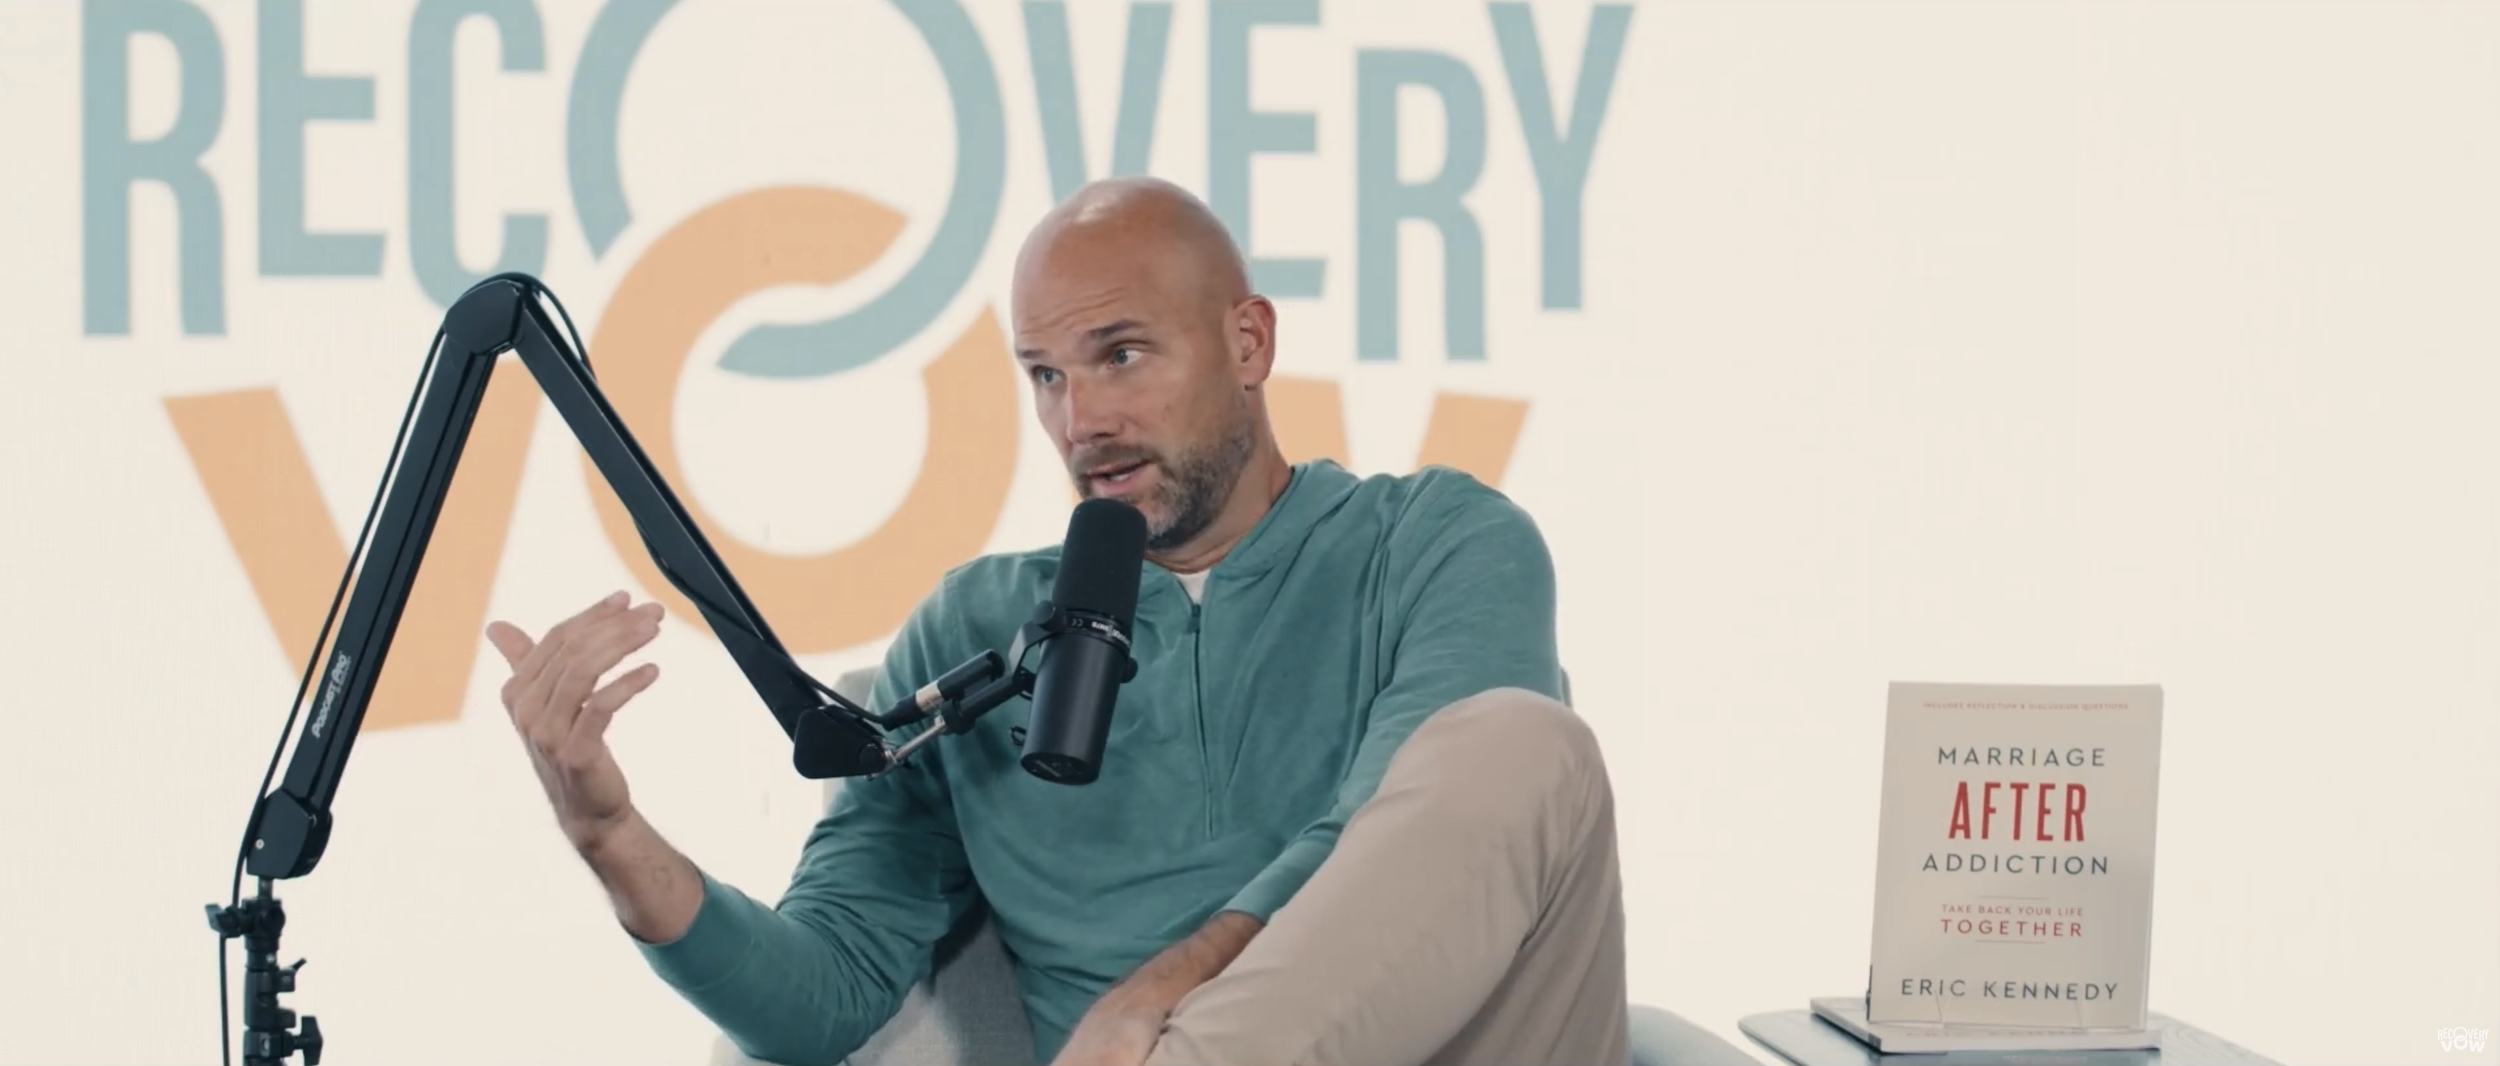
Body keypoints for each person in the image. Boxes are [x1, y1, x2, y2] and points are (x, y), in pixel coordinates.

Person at [484, 177, 1630, 1066]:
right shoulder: (976, 628)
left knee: (1521, 744)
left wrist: (1159, 996)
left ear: (1248, 343)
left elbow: (1392, 833)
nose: (1082, 422)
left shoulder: (1437, 541)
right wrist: (611, 836)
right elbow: (823, 993)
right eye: (1043, 376)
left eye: (1120, 356)